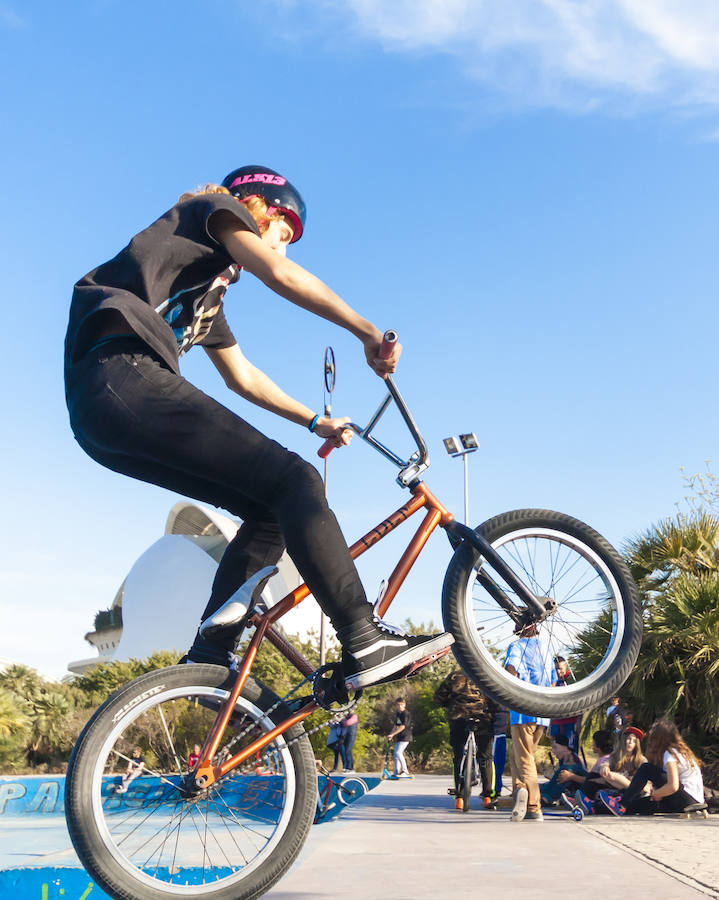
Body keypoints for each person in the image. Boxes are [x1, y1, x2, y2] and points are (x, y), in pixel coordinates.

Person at [64, 166, 454, 694]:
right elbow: (277, 272)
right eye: (283, 235)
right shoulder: (209, 213)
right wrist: (367, 331)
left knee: (271, 508)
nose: (283, 250)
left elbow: (242, 377)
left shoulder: (207, 298)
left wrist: (315, 420)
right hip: (122, 373)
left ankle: (210, 658)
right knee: (297, 481)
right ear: (257, 208)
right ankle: (363, 635)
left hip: (102, 419)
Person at [599, 718, 705, 816]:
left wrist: (656, 793)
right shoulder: (680, 751)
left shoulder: (671, 753)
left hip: (686, 799)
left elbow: (673, 786)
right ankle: (597, 807)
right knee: (636, 806)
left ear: (659, 738)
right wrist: (657, 794)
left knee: (646, 768)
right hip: (691, 803)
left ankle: (622, 804)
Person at [504, 624, 556, 822]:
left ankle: (534, 805)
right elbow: (553, 681)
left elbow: (512, 669)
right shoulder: (547, 648)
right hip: (543, 712)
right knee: (516, 754)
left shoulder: (517, 646)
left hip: (522, 710)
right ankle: (520, 791)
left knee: (525, 758)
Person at [434, 669, 497, 808]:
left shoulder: (455, 676)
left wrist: (449, 704)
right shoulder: (486, 673)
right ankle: (488, 796)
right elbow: (495, 698)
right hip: (482, 717)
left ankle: (460, 798)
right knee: (486, 757)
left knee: (458, 756)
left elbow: (439, 696)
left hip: (458, 716)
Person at [563, 727, 645, 814]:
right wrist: (605, 767)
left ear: (637, 744)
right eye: (628, 739)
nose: (630, 742)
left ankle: (586, 805)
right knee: (593, 780)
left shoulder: (641, 760)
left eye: (634, 741)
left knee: (607, 777)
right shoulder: (616, 756)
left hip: (631, 789)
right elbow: (606, 763)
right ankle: (582, 803)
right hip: (616, 786)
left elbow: (645, 782)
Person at [539, 734, 586, 807]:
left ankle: (546, 798)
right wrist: (550, 776)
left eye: (555, 747)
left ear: (565, 747)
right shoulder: (566, 761)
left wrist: (546, 798)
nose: (553, 751)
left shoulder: (573, 764)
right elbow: (557, 780)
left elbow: (562, 781)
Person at [549, 656, 581, 752]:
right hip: (556, 724)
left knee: (571, 752)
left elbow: (581, 702)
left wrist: (579, 721)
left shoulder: (573, 681)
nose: (558, 672)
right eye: (555, 669)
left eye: (560, 668)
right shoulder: (552, 683)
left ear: (566, 666)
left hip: (571, 723)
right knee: (559, 752)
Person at [387, 697, 413, 778]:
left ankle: (405, 771)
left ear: (404, 705)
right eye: (398, 705)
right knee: (395, 754)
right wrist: (390, 734)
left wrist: (393, 734)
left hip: (406, 736)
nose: (399, 706)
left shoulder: (406, 714)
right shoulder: (398, 714)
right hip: (400, 737)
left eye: (401, 705)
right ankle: (396, 771)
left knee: (398, 752)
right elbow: (396, 725)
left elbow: (402, 726)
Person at [492, 704, 508, 797]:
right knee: (496, 762)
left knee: (495, 763)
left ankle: (495, 789)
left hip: (497, 730)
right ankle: (495, 788)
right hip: (499, 729)